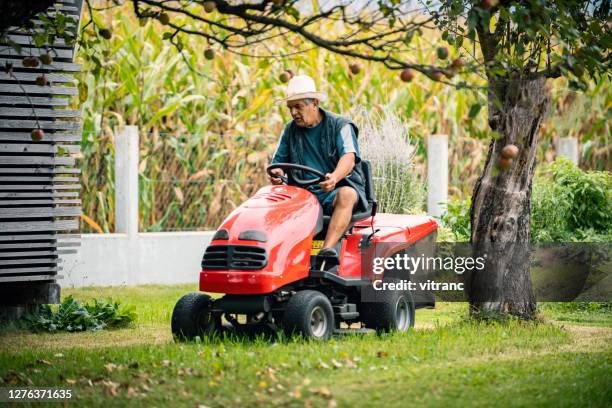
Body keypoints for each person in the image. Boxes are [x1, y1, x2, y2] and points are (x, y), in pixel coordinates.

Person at [269, 74, 367, 257]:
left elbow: (349, 157)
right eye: (290, 108)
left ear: (314, 103)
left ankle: (327, 250)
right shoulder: (290, 130)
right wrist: (276, 173)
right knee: (269, 197)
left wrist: (335, 177)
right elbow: (278, 163)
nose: (293, 113)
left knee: (347, 194)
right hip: (302, 195)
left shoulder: (341, 125)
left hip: (333, 192)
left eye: (298, 107)